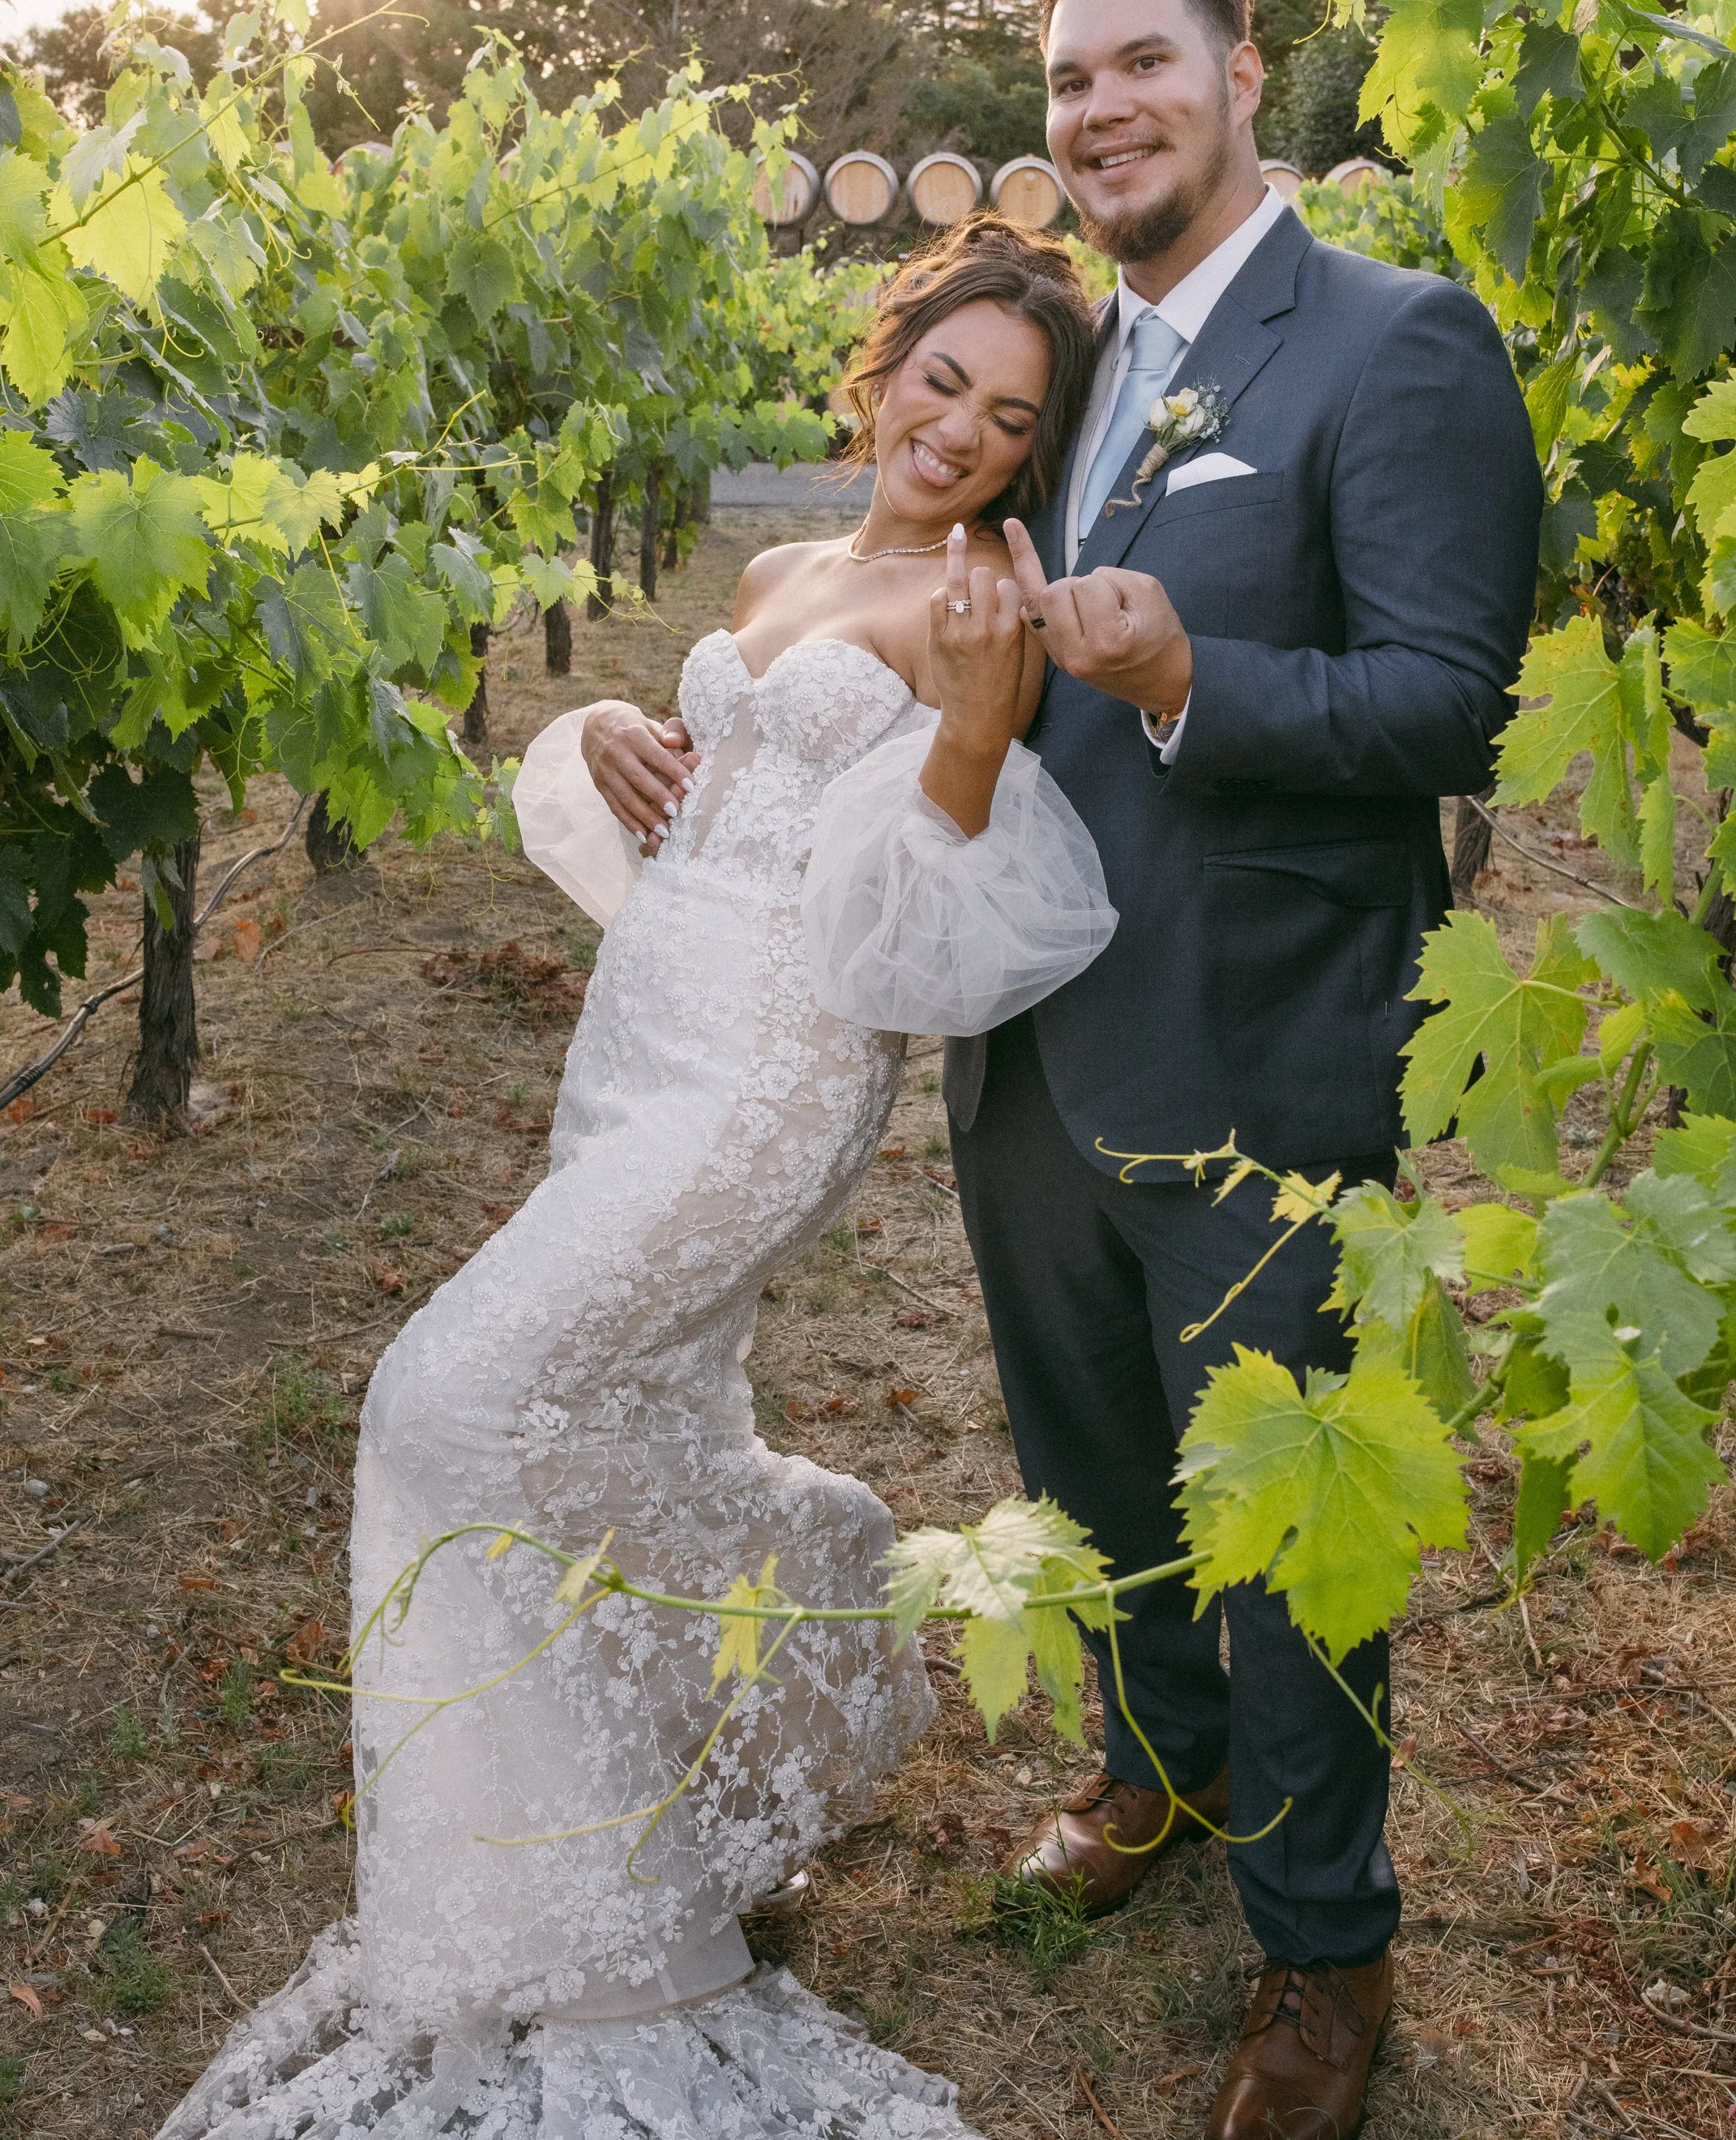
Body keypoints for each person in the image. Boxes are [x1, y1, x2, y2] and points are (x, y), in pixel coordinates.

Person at [158, 218, 1114, 2140]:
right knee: (618, 1402)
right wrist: (599, 726)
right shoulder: (775, 565)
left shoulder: (973, 609)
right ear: (891, 354)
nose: (959, 432)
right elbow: (710, 774)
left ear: (1031, 456)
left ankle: (619, 1929)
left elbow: (949, 917)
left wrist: (984, 737)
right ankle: (794, 1613)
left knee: (452, 1400)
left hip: (769, 1072)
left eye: (1010, 419)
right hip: (637, 1030)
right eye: (946, 377)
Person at [947, 0, 1542, 2140]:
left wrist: (1186, 675)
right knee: (1090, 1459)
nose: (1098, 109)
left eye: (1138, 66)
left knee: (1290, 1524)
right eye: (1067, 79)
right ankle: (1152, 1769)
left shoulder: (1392, 344)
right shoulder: (1073, 355)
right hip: (1028, 1034)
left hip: (1260, 1044)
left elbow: (1439, 700)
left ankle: (1323, 1946)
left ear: (1236, 71)